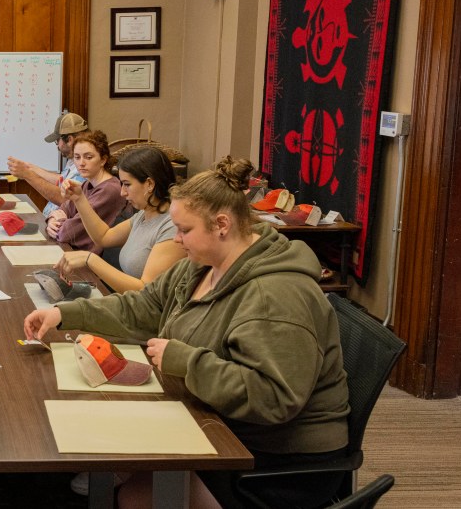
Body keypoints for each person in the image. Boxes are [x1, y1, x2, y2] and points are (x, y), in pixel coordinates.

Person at [24, 156, 350, 509]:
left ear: (222, 225)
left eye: (184, 229)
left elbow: (274, 398)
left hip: (277, 462)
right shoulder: (201, 266)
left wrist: (185, 360)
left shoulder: (275, 296)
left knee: (136, 495)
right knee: (114, 447)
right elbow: (142, 307)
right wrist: (64, 313)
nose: (176, 240)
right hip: (223, 422)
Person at [54, 146, 185, 293]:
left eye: (127, 184)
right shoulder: (143, 215)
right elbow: (104, 237)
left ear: (149, 184)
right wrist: (79, 198)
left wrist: (91, 259)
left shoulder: (172, 226)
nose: (122, 192)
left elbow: (146, 290)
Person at [44, 130, 124, 252]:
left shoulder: (109, 190)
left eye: (88, 157)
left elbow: (66, 233)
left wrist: (57, 223)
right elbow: (64, 208)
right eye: (77, 157)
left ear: (103, 160)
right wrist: (52, 219)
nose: (81, 163)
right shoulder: (88, 183)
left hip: (90, 263)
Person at [7, 112, 89, 218]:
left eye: (57, 141)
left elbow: (64, 198)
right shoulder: (73, 160)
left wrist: (27, 174)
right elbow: (62, 180)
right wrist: (31, 168)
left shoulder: (84, 165)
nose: (57, 146)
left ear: (69, 140)